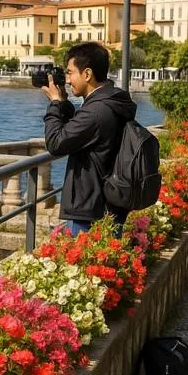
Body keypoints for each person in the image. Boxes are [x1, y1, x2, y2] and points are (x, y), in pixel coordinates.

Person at [41, 42, 136, 237]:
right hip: (105, 202)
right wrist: (64, 103)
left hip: (90, 209)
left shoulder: (95, 111)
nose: (68, 80)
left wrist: (55, 104)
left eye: (70, 73)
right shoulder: (110, 101)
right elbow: (80, 129)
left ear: (87, 74)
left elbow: (55, 143)